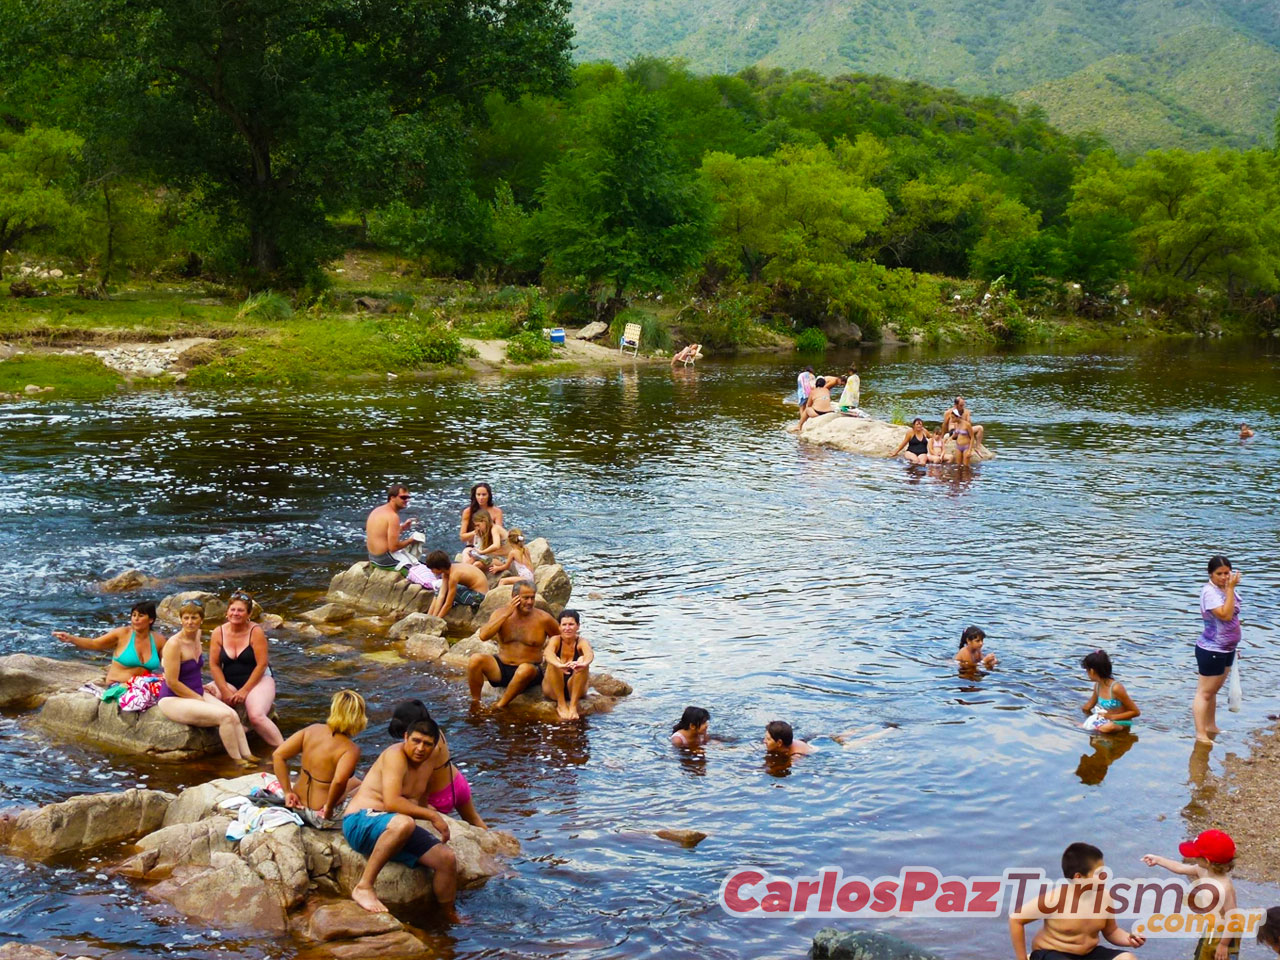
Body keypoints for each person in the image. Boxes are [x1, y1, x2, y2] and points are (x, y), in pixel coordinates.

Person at [341, 714, 458, 917]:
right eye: (416, 741)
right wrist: (432, 816)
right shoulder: (394, 755)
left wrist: (430, 815)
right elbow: (392, 802)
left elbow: (422, 794)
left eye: (427, 744)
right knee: (404, 823)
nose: (420, 748)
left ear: (435, 746)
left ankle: (448, 915)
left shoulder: (430, 761)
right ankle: (364, 887)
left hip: (393, 828)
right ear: (405, 737)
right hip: (360, 821)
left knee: (446, 859)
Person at [157, 600, 255, 764]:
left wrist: (200, 688)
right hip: (172, 698)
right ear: (180, 620)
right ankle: (238, 761)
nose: (190, 622)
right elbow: (172, 681)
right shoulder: (174, 644)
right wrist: (197, 698)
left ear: (201, 620)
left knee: (233, 715)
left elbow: (192, 670)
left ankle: (248, 755)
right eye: (186, 618)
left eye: (194, 618)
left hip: (195, 691)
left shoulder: (197, 635)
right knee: (224, 717)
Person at [1009, 842, 1144, 960]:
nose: (1105, 876)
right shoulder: (1055, 899)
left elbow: (1111, 931)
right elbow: (1016, 919)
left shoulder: (1105, 898)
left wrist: (1129, 939)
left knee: (1128, 958)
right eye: (1099, 873)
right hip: (1051, 953)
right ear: (1079, 877)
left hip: (1088, 954)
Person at [273, 690, 367, 824]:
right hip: (319, 814)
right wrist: (328, 808)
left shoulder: (312, 730)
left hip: (296, 805)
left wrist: (287, 792)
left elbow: (278, 755)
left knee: (356, 782)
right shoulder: (350, 749)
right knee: (369, 786)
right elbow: (339, 781)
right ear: (359, 717)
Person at [1142, 830, 1238, 960]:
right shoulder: (1202, 870)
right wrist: (1158, 860)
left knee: (1220, 955)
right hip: (1212, 928)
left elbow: (1233, 919)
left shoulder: (1224, 887)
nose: (1193, 858)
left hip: (1225, 933)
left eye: (1196, 855)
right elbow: (1180, 868)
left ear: (1207, 861)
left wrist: (1223, 944)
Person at [388, 701, 486, 828]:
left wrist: (423, 806)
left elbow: (422, 783)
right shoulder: (435, 732)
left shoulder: (426, 748)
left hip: (439, 797)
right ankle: (495, 842)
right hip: (457, 782)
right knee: (474, 819)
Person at [467, 581, 560, 709]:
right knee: (475, 660)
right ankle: (476, 702)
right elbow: (483, 636)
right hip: (501, 669)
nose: (529, 602)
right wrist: (506, 614)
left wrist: (553, 659)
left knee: (524, 670)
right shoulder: (500, 613)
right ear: (514, 597)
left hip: (529, 671)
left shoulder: (544, 619)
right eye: (525, 598)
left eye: (532, 598)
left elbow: (561, 639)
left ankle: (500, 705)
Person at [210, 590, 283, 747]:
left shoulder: (255, 632)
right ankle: (238, 728)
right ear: (227, 612)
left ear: (248, 613)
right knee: (202, 695)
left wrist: (244, 690)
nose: (236, 613)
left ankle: (282, 750)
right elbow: (214, 665)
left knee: (256, 716)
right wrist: (224, 690)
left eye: (241, 610)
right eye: (233, 609)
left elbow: (262, 664)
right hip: (229, 681)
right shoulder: (218, 632)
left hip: (258, 680)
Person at [53, 601, 166, 685]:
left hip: (143, 685)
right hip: (118, 685)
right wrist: (71, 638)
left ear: (151, 620)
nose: (135, 619)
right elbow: (94, 643)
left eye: (141, 616)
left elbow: (169, 663)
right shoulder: (122, 634)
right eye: (133, 615)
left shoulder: (159, 640)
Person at [1194, 556, 1242, 744]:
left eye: (1227, 573)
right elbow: (1225, 614)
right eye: (1219, 574)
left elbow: (1234, 617)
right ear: (1210, 575)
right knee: (1204, 692)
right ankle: (1200, 733)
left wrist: (1235, 645)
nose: (1224, 577)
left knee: (1213, 691)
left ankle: (1211, 726)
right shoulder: (1209, 592)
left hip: (1227, 648)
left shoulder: (1226, 589)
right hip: (1211, 648)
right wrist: (1230, 588)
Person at [542, 609, 594, 721]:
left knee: (582, 659)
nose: (567, 628)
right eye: (564, 624)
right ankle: (561, 704)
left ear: (578, 626)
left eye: (571, 624)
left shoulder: (582, 641)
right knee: (554, 660)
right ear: (559, 627)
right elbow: (548, 652)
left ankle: (573, 706)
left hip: (574, 687)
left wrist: (583, 663)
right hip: (553, 690)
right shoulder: (555, 640)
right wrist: (559, 665)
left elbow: (589, 653)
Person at [1080, 650, 1139, 734]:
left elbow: (1136, 712)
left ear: (1092, 671)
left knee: (1107, 728)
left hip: (1121, 722)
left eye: (1087, 670)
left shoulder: (1116, 688)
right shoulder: (1098, 686)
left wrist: (1111, 717)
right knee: (1082, 725)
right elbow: (1088, 706)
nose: (1087, 673)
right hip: (1106, 720)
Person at [425, 550, 489, 619]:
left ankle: (432, 618)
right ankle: (428, 617)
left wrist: (437, 620)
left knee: (448, 594)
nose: (431, 571)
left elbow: (448, 604)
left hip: (479, 597)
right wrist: (432, 617)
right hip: (473, 591)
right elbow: (441, 595)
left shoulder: (454, 575)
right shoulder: (447, 572)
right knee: (439, 590)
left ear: (439, 568)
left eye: (432, 569)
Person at [366, 483, 416, 568]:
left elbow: (381, 534)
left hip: (372, 557)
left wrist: (402, 528)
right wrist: (411, 540)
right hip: (384, 559)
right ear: (392, 498)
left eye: (408, 497)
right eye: (403, 497)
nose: (406, 500)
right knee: (417, 568)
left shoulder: (378, 510)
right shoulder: (393, 517)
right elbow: (393, 547)